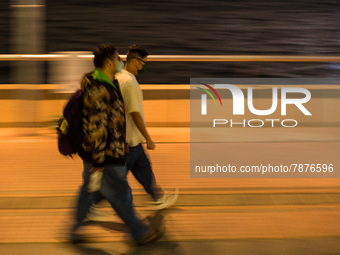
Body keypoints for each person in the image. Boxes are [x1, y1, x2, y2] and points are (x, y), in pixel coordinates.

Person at [71, 43, 163, 245]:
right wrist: (99, 160)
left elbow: (112, 120)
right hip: (105, 155)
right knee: (121, 195)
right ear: (108, 62)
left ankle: (73, 230)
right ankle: (140, 232)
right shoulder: (99, 88)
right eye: (117, 59)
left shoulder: (105, 81)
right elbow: (98, 126)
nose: (121, 62)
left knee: (89, 192)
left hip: (100, 152)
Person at [87, 45, 178, 220]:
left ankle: (156, 198)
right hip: (128, 142)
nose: (144, 66)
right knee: (114, 180)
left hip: (131, 140)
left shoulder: (119, 77)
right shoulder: (129, 82)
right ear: (136, 62)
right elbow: (134, 113)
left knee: (144, 169)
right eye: (144, 63)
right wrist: (149, 138)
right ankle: (92, 206)